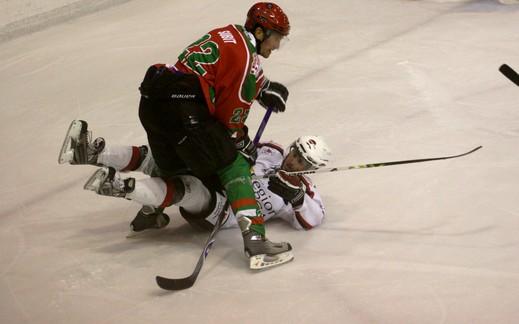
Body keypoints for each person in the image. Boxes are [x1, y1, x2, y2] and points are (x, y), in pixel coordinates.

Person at [59, 3, 294, 270]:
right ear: (261, 32)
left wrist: (262, 86)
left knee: (174, 169)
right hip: (185, 109)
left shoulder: (228, 34)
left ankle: (89, 155)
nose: (276, 46)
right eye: (277, 37)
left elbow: (225, 68)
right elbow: (230, 119)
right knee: (234, 164)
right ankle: (256, 242)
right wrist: (243, 144)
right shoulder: (245, 60)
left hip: (153, 101)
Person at [59, 120, 331, 234]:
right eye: (296, 153)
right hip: (215, 176)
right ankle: (91, 153)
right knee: (158, 158)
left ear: (309, 169)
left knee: (187, 189)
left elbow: (312, 219)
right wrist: (243, 151)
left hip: (223, 212)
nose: (294, 161)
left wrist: (295, 197)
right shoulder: (271, 151)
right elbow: (238, 150)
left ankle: (121, 187)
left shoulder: (305, 191)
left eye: (302, 162)